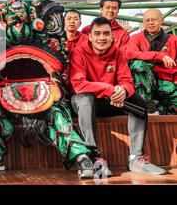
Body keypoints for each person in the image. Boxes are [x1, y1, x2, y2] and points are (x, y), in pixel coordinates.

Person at [70, 17, 167, 176]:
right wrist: (109, 89)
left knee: (139, 102)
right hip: (85, 104)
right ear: (90, 36)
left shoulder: (118, 53)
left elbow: (127, 81)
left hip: (112, 101)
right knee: (84, 98)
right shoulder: (78, 53)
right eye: (97, 33)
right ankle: (94, 157)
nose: (102, 38)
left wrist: (123, 90)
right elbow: (78, 85)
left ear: (112, 37)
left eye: (106, 34)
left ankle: (136, 158)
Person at [128, 9, 176, 114]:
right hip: (145, 81)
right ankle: (145, 106)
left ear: (161, 21)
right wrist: (159, 55)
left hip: (166, 82)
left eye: (154, 20)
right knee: (138, 64)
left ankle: (158, 110)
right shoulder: (135, 38)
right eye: (147, 20)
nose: (150, 23)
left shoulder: (173, 39)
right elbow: (131, 53)